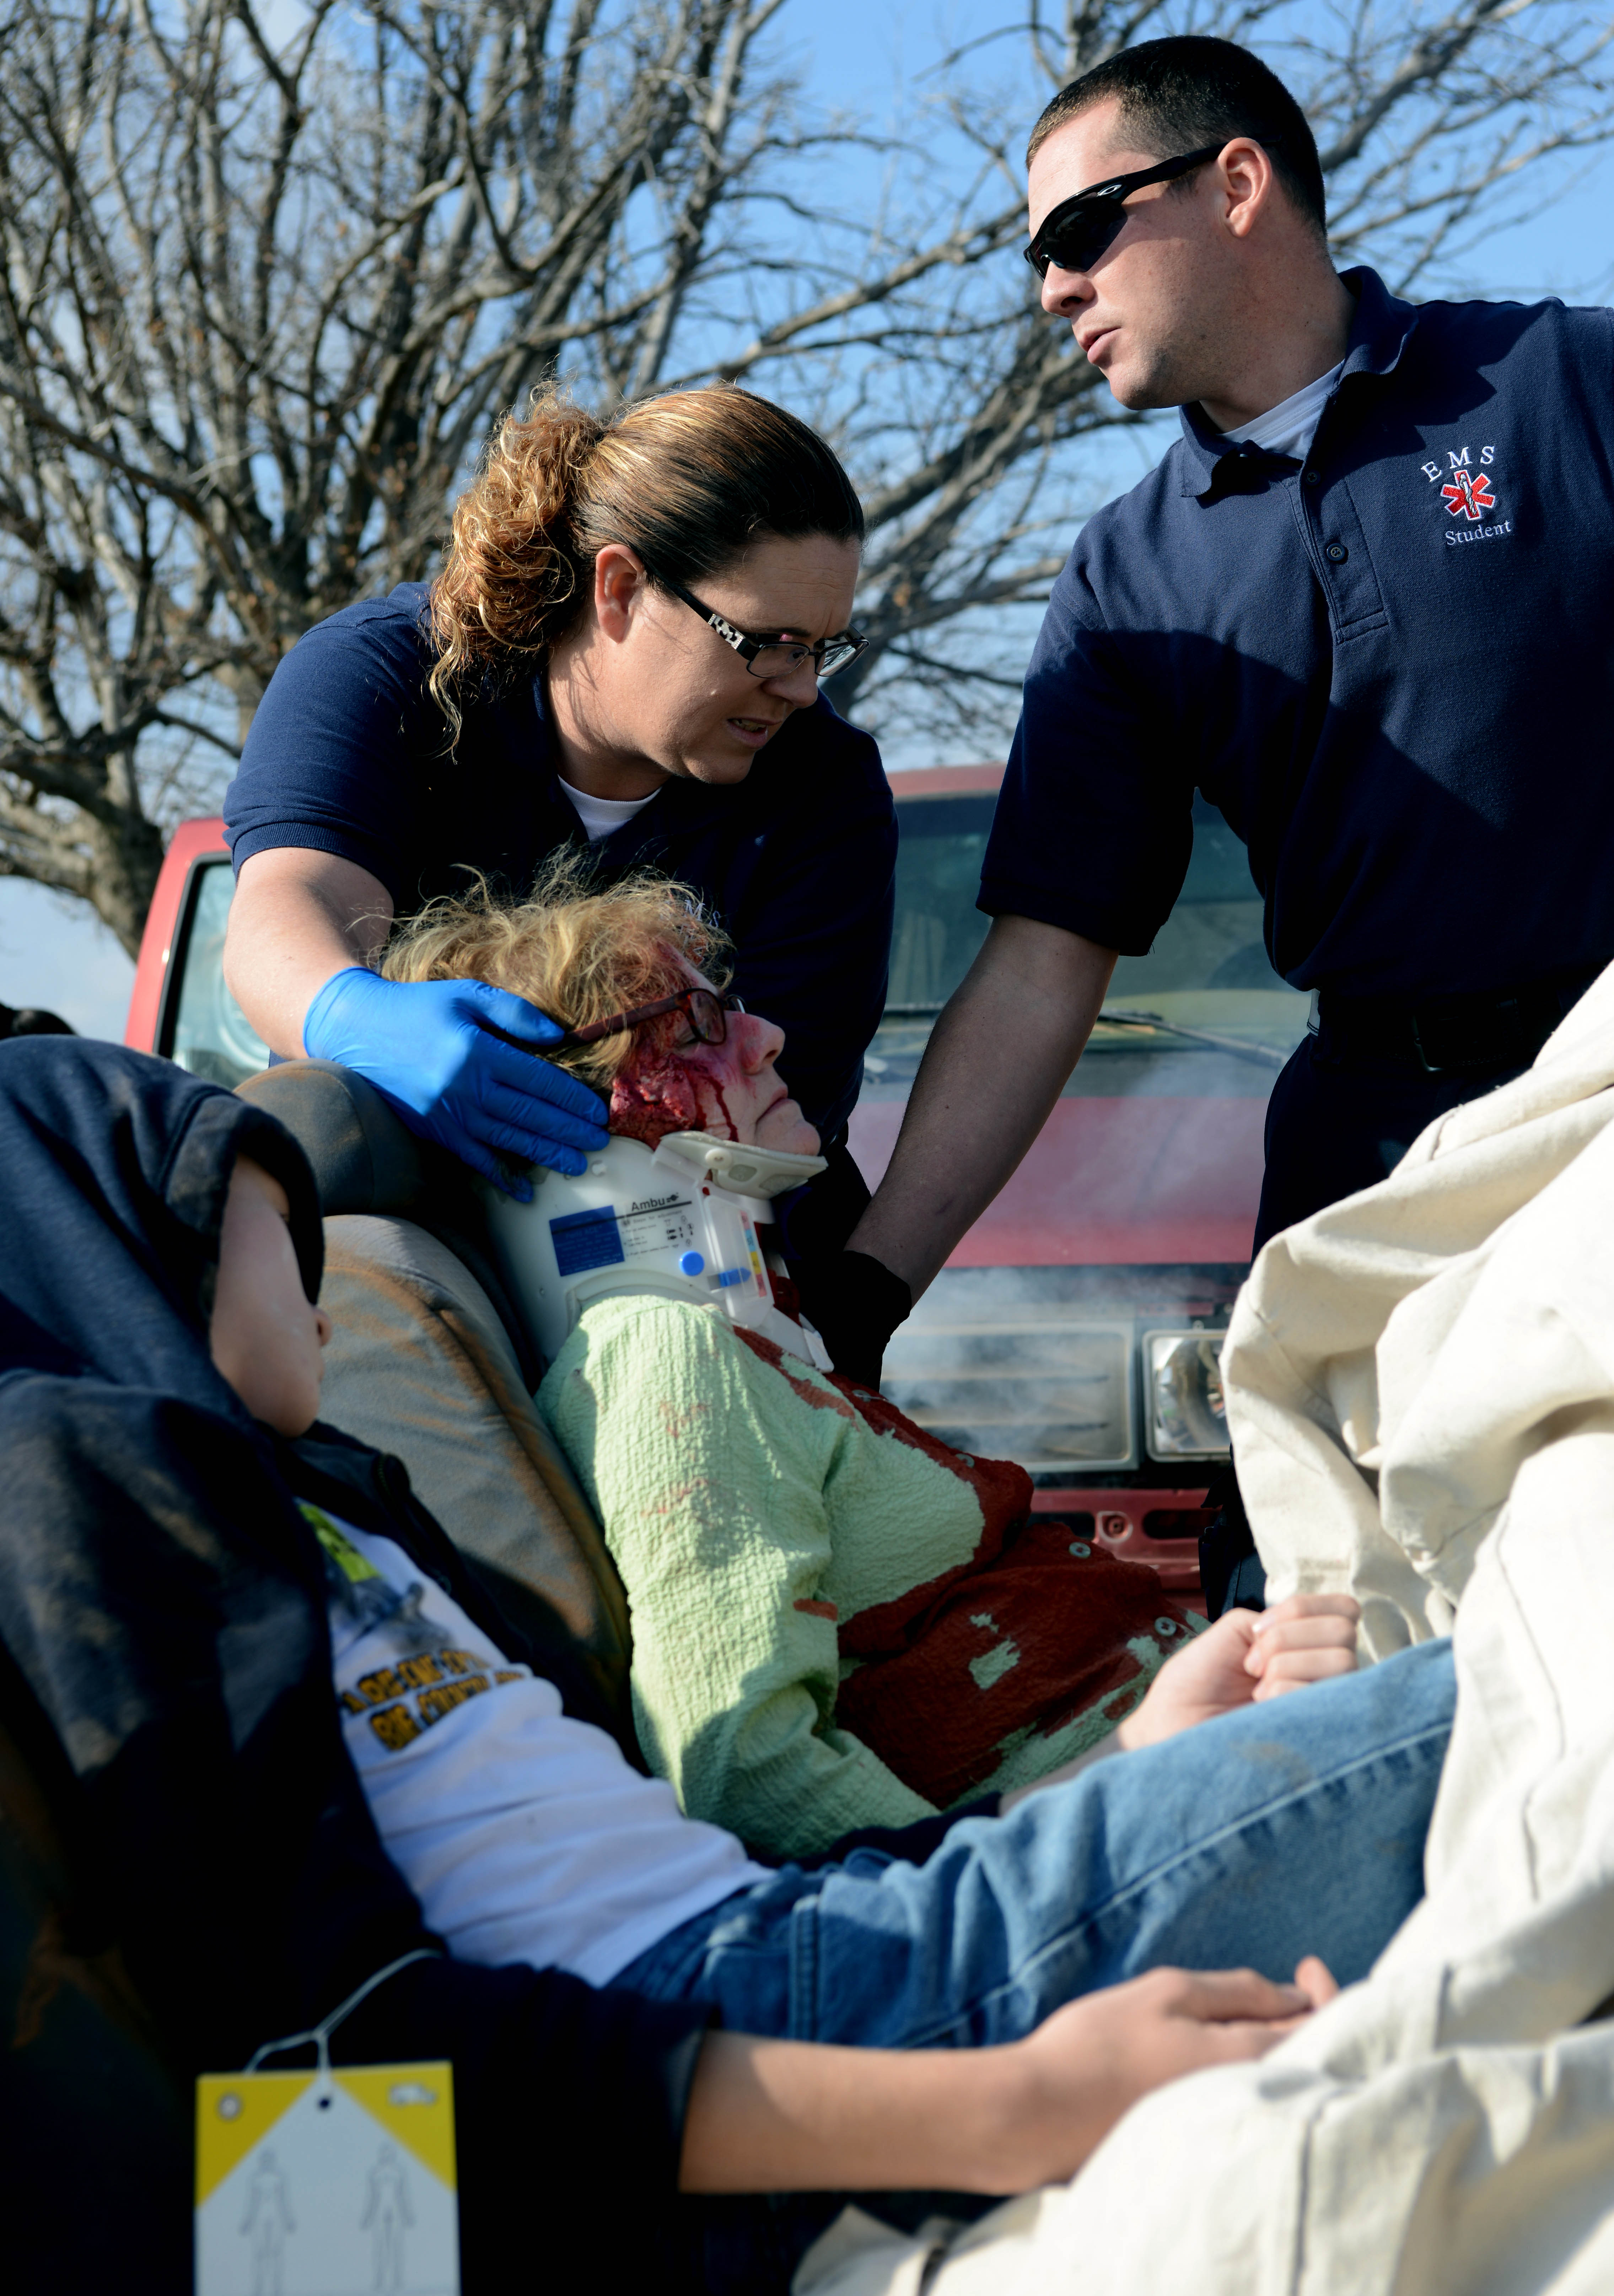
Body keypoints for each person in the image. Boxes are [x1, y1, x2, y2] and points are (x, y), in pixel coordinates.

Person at [0, 1037, 1453, 2292]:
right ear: (108, 1234)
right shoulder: (92, 1479)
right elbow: (327, 2054)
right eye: (272, 1224)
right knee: (1515, 1714)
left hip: (826, 1949)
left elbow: (685, 1869)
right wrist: (1005, 2108)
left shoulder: (325, 1500)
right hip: (754, 2048)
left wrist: (1107, 1776)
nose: (324, 1284)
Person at [809, 34, 1614, 1598]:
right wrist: (864, 1288)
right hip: (1373, 1148)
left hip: (1601, 1097)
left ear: (1234, 183)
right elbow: (1047, 959)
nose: (1050, 287)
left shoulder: (1564, 387)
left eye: (1076, 232)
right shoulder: (1125, 581)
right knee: (1305, 1610)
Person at [376, 863, 1356, 1855]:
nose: (768, 1037)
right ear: (573, 1109)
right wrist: (1122, 1768)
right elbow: (740, 1770)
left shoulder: (749, 1338)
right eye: (699, 1026)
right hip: (1126, 1848)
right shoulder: (663, 1350)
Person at [219, 381, 894, 1266]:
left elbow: (774, 1115)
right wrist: (347, 1008)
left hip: (706, 1253)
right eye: (766, 641)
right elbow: (285, 908)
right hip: (407, 1232)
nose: (803, 688)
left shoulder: (824, 787)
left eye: (822, 648)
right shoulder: (386, 677)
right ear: (618, 588)